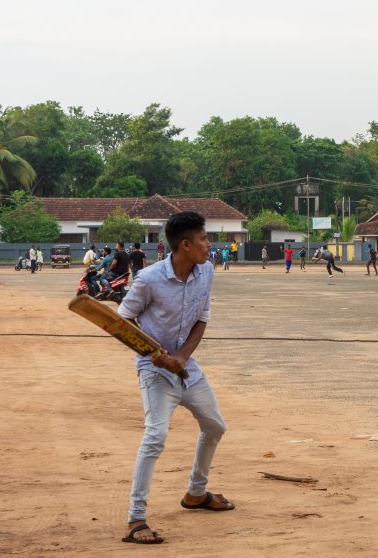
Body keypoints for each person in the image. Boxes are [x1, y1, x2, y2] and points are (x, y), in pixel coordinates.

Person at [117, 211, 232, 545]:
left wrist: (181, 357)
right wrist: (151, 350)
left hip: (187, 370)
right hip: (155, 373)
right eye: (204, 239)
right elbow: (123, 319)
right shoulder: (149, 279)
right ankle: (135, 519)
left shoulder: (206, 272)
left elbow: (202, 319)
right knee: (155, 438)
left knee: (215, 427)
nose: (209, 245)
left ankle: (196, 493)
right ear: (185, 245)